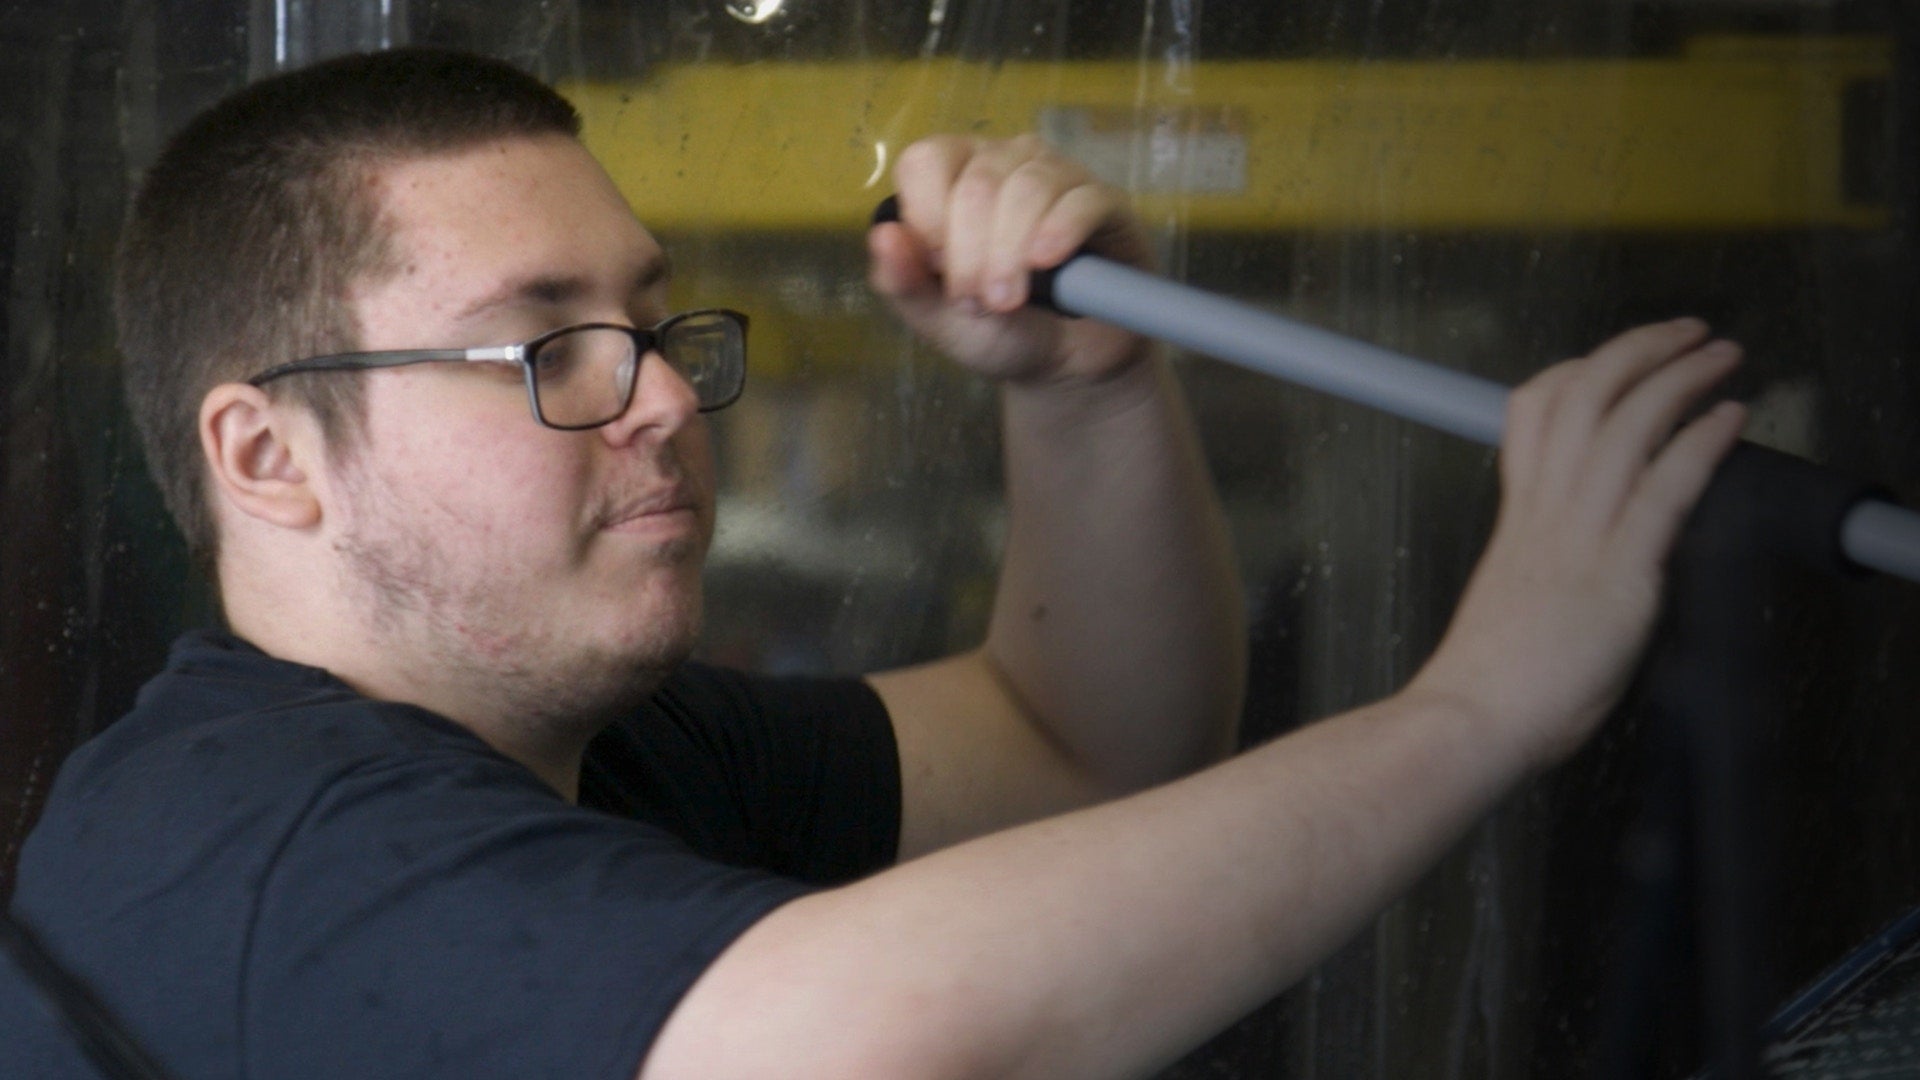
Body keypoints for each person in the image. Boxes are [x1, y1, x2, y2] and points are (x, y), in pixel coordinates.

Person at [4, 46, 1747, 1080]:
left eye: (650, 317)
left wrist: (1085, 394)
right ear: (266, 457)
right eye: (548, 344)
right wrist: (1478, 708)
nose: (669, 395)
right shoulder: (256, 844)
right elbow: (873, 1051)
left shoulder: (600, 744)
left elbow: (1085, 741)